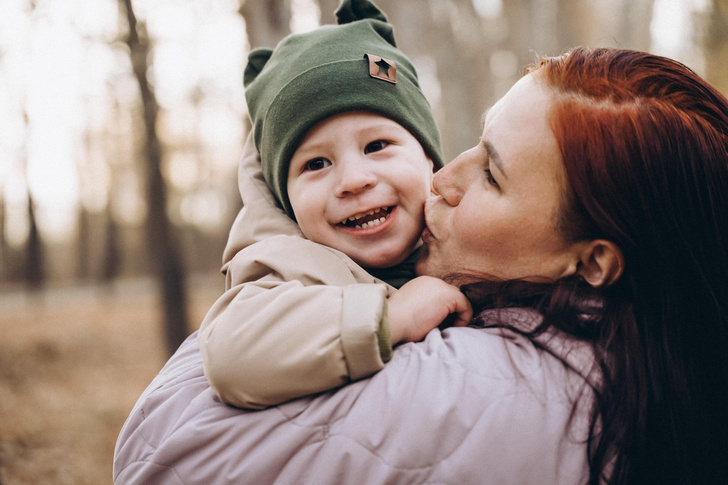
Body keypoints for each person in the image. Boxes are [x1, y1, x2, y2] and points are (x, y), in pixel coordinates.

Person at [114, 47, 728, 485]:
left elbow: (162, 451)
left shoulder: (485, 387)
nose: (442, 178)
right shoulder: (649, 351)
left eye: (490, 172)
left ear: (593, 261)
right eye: (477, 144)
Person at [197, 0, 471, 410]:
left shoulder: (478, 238)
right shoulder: (287, 271)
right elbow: (231, 354)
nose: (353, 180)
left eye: (377, 145)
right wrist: (391, 319)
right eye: (316, 164)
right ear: (284, 199)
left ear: (429, 157)